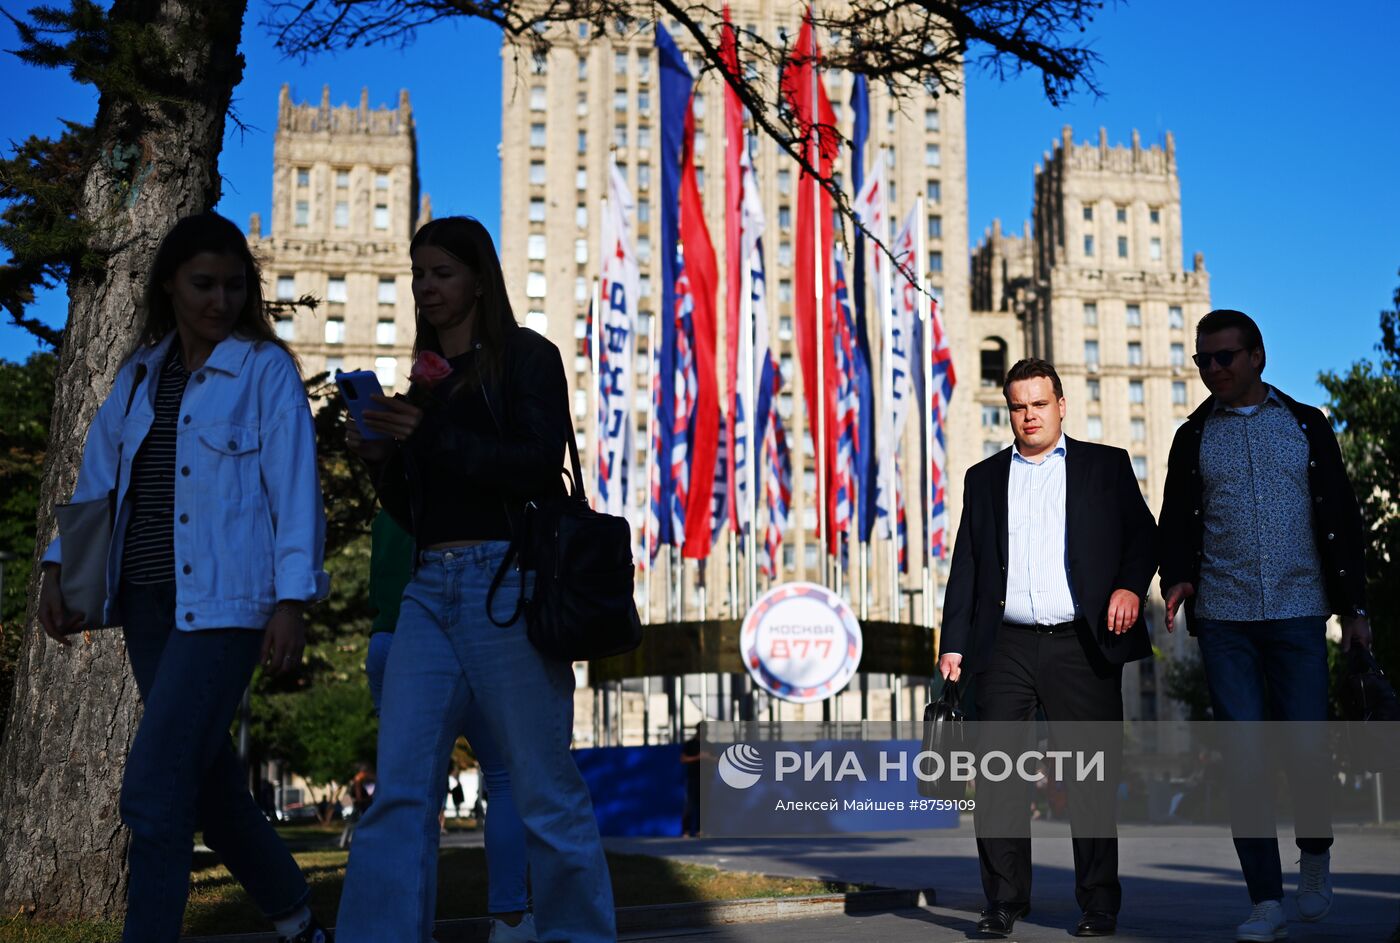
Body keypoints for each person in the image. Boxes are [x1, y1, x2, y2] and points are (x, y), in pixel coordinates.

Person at [37, 212, 332, 943]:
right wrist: (57, 569)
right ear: (170, 282)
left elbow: (296, 492)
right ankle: (300, 921)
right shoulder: (138, 375)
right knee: (208, 784)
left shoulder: (264, 370)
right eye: (204, 283)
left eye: (235, 286)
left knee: (153, 788)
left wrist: (292, 600)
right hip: (145, 603)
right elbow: (95, 483)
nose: (220, 300)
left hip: (228, 610)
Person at [337, 216, 614, 942]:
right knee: (399, 789)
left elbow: (531, 463)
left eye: (442, 273)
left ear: (478, 279)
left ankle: (578, 934)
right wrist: (378, 457)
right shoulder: (423, 381)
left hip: (509, 583)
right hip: (428, 590)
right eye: (418, 273)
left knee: (543, 786)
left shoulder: (526, 357)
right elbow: (416, 510)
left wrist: (424, 434)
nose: (426, 286)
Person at [1159, 309, 1372, 942]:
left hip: (1300, 612)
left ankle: (1314, 856)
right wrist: (1177, 576)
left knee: (1306, 748)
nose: (1213, 370)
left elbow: (1343, 518)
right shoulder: (1191, 437)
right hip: (1225, 619)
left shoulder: (1306, 425)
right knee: (1245, 760)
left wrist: (1356, 609)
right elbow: (1174, 519)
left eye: (1224, 357)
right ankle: (1263, 901)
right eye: (1203, 361)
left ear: (1257, 357)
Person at [938, 358, 1157, 939]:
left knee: (1090, 777)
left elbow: (1144, 536)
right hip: (1003, 644)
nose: (1029, 415)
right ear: (1006, 410)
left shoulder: (1105, 467)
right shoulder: (982, 479)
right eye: (1018, 405)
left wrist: (1130, 587)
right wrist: (953, 644)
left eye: (1039, 403)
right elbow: (967, 566)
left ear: (1061, 405)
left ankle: (1099, 903)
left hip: (1081, 643)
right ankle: (1005, 901)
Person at [363, 506, 539, 941]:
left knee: (409, 789)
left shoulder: (388, 508)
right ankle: (511, 920)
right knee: (503, 777)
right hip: (470, 631)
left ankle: (405, 926)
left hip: (389, 638)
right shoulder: (464, 499)